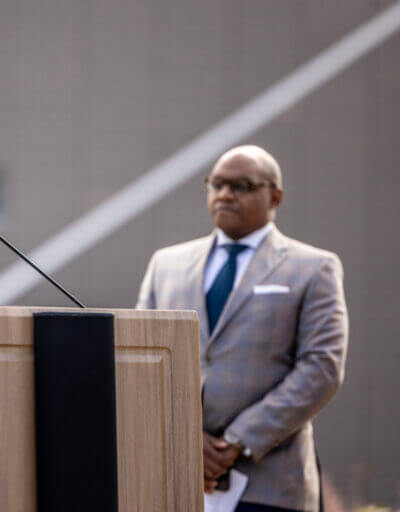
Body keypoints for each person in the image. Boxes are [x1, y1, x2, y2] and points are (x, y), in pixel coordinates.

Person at [136, 145, 348, 512]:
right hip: (172, 478)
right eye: (216, 184)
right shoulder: (165, 264)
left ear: (275, 196)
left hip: (268, 484)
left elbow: (322, 367)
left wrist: (236, 441)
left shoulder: (314, 268)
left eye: (242, 185)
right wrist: (185, 438)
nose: (225, 194)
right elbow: (138, 360)